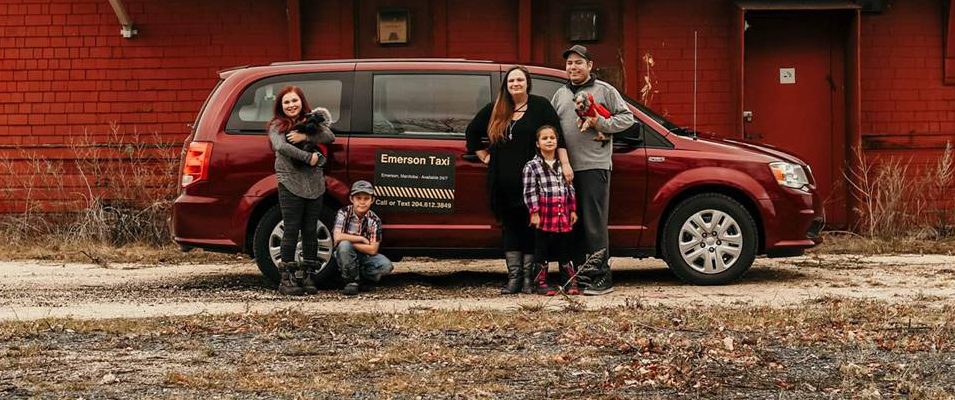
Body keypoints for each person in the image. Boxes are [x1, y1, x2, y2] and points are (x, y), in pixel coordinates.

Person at [466, 65, 573, 295]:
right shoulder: (496, 109)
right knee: (511, 229)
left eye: (520, 80)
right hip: (503, 182)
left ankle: (529, 280)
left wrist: (565, 164)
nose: (515, 84)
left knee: (532, 230)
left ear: (528, 83)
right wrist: (484, 157)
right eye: (511, 81)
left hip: (534, 183)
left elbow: (558, 136)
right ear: (506, 85)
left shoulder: (541, 106)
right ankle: (514, 279)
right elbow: (472, 133)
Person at [551, 45, 635, 295]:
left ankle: (602, 276)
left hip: (594, 166)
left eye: (578, 62)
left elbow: (627, 118)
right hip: (565, 169)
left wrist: (601, 123)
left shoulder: (605, 91)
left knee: (594, 225)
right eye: (569, 64)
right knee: (572, 224)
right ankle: (579, 275)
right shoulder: (560, 94)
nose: (573, 67)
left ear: (589, 65)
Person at [267, 85, 335, 296]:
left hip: (314, 184)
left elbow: (329, 137)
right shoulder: (277, 126)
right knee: (291, 228)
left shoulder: (311, 121)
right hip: (290, 183)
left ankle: (307, 276)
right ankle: (286, 280)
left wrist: (305, 138)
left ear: (301, 102)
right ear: (281, 106)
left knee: (310, 230)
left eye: (294, 100)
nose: (291, 105)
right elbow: (281, 147)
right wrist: (308, 157)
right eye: (286, 102)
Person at [523, 125, 579, 296]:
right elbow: (529, 191)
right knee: (542, 248)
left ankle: (569, 281)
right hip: (544, 215)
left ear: (557, 141)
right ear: (538, 143)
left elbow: (570, 188)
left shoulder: (563, 165)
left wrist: (573, 210)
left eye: (552, 138)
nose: (549, 141)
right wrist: (534, 212)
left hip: (562, 214)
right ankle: (541, 282)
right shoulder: (532, 166)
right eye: (545, 138)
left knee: (565, 248)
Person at [333, 180, 394, 296]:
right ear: (352, 199)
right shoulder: (343, 213)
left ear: (372, 200)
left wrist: (351, 242)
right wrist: (361, 239)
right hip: (344, 254)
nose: (362, 202)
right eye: (358, 198)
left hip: (364, 255)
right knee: (344, 246)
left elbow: (373, 250)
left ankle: (361, 278)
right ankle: (351, 281)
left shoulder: (374, 220)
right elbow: (337, 237)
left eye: (366, 198)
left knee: (386, 266)